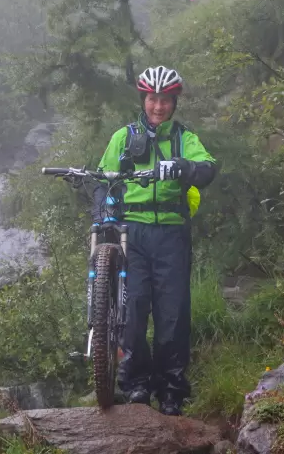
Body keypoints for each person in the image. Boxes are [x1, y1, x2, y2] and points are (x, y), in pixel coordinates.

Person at [91, 65, 217, 416]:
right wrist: (102, 215)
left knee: (172, 313)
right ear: (143, 100)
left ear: (174, 103)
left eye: (165, 100)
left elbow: (208, 167)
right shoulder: (123, 137)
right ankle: (136, 384)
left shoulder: (183, 138)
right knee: (131, 310)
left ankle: (172, 389)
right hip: (132, 233)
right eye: (152, 99)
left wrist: (183, 167)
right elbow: (102, 179)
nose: (158, 106)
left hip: (172, 233)